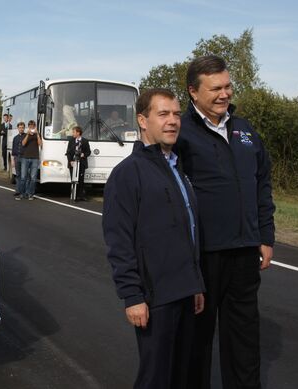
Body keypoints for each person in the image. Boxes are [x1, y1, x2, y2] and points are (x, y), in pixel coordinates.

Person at [175, 55, 275, 389]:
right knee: (196, 342)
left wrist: (265, 236)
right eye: (215, 88)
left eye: (228, 86)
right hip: (203, 255)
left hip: (245, 252)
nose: (224, 93)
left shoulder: (244, 130)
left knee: (245, 341)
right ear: (193, 91)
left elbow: (262, 183)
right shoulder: (181, 132)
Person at [103, 88, 205, 389]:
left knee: (181, 375)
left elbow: (189, 231)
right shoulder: (127, 173)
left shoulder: (178, 169)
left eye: (176, 114)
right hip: (155, 296)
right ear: (142, 120)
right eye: (163, 114)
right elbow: (118, 241)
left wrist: (196, 283)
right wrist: (133, 297)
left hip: (186, 291)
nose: (173, 121)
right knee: (156, 377)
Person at [17, 120, 42, 200]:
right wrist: (28, 134)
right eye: (30, 126)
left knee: (33, 178)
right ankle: (22, 194)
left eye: (33, 126)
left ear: (35, 126)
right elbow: (23, 143)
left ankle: (30, 194)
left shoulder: (37, 134)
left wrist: (37, 134)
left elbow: (40, 144)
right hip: (25, 157)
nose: (32, 127)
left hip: (35, 158)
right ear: (28, 126)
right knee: (23, 177)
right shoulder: (25, 134)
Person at [65, 126, 91, 201]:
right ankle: (74, 195)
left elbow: (88, 152)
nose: (72, 133)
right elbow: (68, 152)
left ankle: (81, 195)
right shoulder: (71, 141)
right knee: (73, 180)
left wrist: (84, 154)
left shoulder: (85, 141)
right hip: (73, 163)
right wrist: (70, 161)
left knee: (81, 179)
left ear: (78, 133)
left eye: (74, 132)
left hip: (81, 163)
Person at [12, 121, 26, 197]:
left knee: (24, 175)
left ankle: (23, 191)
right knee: (18, 175)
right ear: (17, 128)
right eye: (20, 127)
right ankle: (17, 190)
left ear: (24, 128)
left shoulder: (26, 136)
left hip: (24, 158)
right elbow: (13, 150)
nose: (21, 129)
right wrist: (13, 160)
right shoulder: (15, 138)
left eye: (22, 128)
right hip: (17, 158)